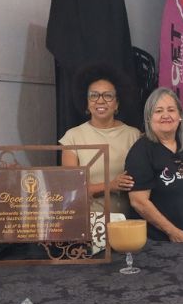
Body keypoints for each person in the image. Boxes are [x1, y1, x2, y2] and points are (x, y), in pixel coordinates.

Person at [125, 88, 183, 242]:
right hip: (156, 244)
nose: (166, 115)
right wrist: (172, 231)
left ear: (180, 116)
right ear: (149, 118)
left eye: (171, 110)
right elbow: (138, 201)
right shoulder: (141, 151)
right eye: (158, 111)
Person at [59, 63, 141, 215]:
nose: (100, 101)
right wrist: (110, 185)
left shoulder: (134, 135)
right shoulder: (72, 137)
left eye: (108, 95)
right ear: (87, 102)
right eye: (94, 95)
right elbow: (71, 188)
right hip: (85, 222)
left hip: (126, 222)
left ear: (117, 103)